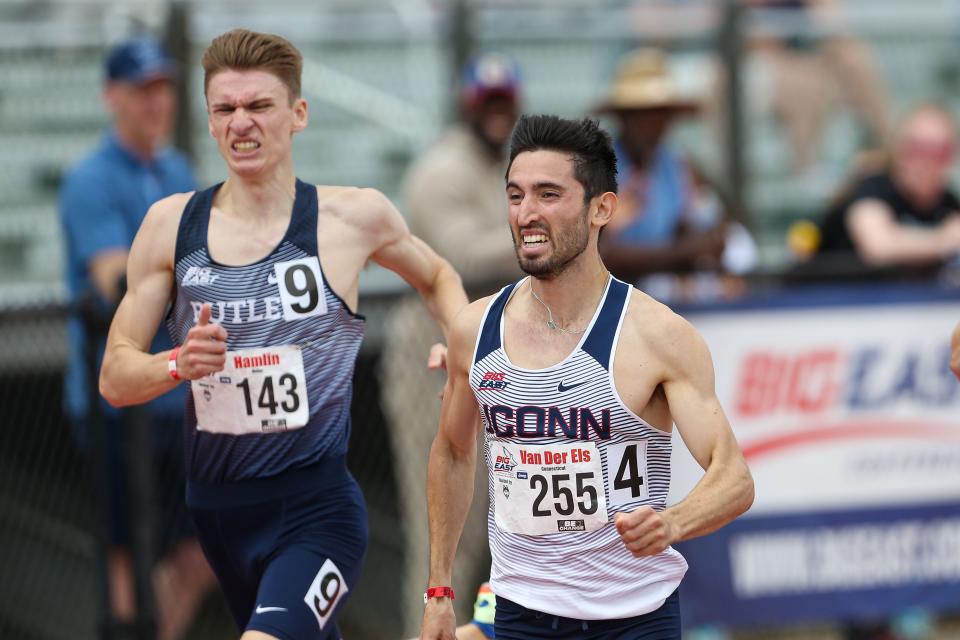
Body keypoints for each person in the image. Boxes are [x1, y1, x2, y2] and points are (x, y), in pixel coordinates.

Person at [98, 28, 468, 640]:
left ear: (297, 114)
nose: (241, 123)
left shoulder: (352, 217)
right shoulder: (170, 227)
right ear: (211, 122)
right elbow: (114, 376)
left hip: (317, 511)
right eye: (225, 109)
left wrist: (461, 342)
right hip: (217, 514)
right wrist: (177, 364)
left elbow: (437, 274)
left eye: (259, 105)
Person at [419, 115, 754, 639]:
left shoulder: (657, 335)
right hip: (517, 611)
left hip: (631, 617)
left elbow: (733, 478)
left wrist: (673, 523)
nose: (526, 213)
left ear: (602, 209)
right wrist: (438, 590)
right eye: (515, 195)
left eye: (548, 195)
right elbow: (454, 452)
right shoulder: (475, 330)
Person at [58, 36, 215, 640]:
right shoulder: (91, 179)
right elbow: (112, 276)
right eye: (141, 90)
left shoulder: (176, 171)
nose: (156, 102)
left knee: (198, 546)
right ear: (112, 97)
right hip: (116, 403)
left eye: (162, 88)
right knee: (123, 549)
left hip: (181, 397)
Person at [381, 52, 522, 637]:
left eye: (503, 100)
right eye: (484, 101)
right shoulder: (443, 168)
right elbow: (463, 258)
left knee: (511, 529)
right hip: (432, 362)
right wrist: (553, 233)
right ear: (467, 105)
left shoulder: (510, 165)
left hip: (501, 355)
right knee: (446, 532)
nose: (494, 111)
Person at [596, 48, 756, 303]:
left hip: (660, 298)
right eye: (645, 113)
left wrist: (707, 243)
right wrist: (681, 253)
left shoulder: (677, 165)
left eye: (662, 113)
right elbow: (599, 255)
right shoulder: (596, 169)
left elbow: (691, 225)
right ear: (623, 116)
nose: (656, 124)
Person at [813, 104, 960, 279]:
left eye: (939, 152)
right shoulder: (872, 187)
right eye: (918, 149)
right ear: (897, 149)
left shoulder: (947, 204)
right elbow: (878, 246)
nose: (926, 162)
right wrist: (944, 241)